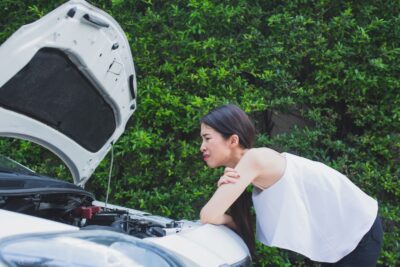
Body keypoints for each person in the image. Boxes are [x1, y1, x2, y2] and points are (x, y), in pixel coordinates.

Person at [199, 104, 383, 266]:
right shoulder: (249, 166)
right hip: (342, 238)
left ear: (233, 140)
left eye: (207, 138)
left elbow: (208, 215)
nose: (202, 146)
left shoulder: (255, 158)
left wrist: (228, 219)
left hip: (359, 232)